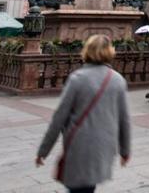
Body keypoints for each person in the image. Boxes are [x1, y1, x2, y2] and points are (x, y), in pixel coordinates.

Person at [36, 35, 131, 192]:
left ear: (87, 51)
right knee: (87, 186)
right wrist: (125, 151)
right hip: (104, 147)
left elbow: (58, 119)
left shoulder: (77, 79)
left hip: (79, 145)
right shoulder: (118, 80)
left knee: (78, 187)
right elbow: (124, 121)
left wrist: (43, 151)